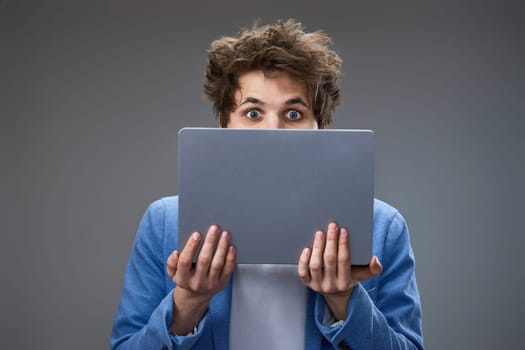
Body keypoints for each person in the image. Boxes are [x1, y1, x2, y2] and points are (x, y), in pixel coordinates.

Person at [110, 19, 424, 350]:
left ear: (322, 127)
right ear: (224, 124)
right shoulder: (163, 222)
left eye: (293, 114)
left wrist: (343, 299)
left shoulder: (382, 227)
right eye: (253, 113)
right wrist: (188, 302)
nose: (272, 129)